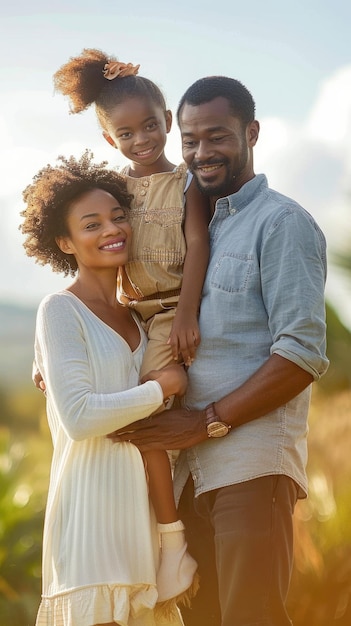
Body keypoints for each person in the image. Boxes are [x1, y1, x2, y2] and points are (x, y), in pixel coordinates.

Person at [112, 76, 330, 626]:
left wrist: (205, 421)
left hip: (250, 469)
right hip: (187, 477)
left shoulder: (281, 223)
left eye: (217, 137)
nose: (201, 153)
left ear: (251, 132)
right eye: (189, 140)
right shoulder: (189, 226)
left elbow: (301, 355)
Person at [50, 48, 209, 606]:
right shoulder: (115, 194)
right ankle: (168, 539)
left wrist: (187, 311)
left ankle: (171, 541)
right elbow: (111, 270)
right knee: (147, 430)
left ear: (168, 122)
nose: (142, 140)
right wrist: (47, 356)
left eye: (150, 126)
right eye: (126, 133)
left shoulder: (186, 183)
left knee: (148, 429)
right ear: (110, 138)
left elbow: (198, 247)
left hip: (172, 311)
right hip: (140, 314)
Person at [20, 151, 190, 626]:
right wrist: (161, 388)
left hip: (144, 534)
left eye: (118, 218)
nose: (112, 230)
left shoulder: (143, 317)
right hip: (90, 531)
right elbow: (80, 418)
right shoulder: (59, 310)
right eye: (91, 224)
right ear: (65, 242)